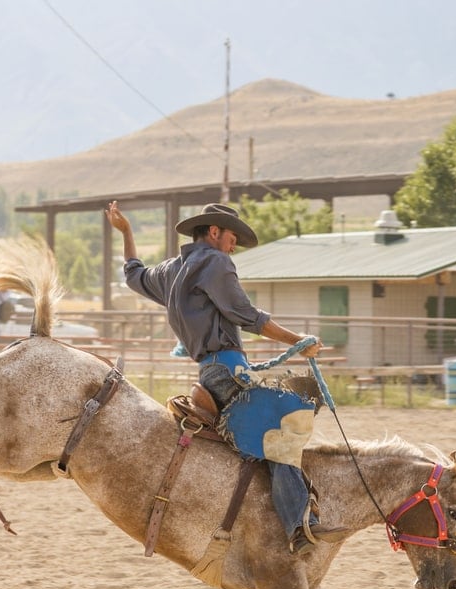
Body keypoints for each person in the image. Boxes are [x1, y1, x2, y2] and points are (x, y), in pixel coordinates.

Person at [107, 200, 346, 556]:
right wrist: (298, 341)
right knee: (282, 428)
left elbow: (132, 274)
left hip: (209, 370)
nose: (234, 246)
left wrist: (126, 232)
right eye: (233, 237)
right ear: (215, 232)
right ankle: (300, 524)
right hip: (227, 369)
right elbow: (247, 316)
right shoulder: (215, 262)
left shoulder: (173, 270)